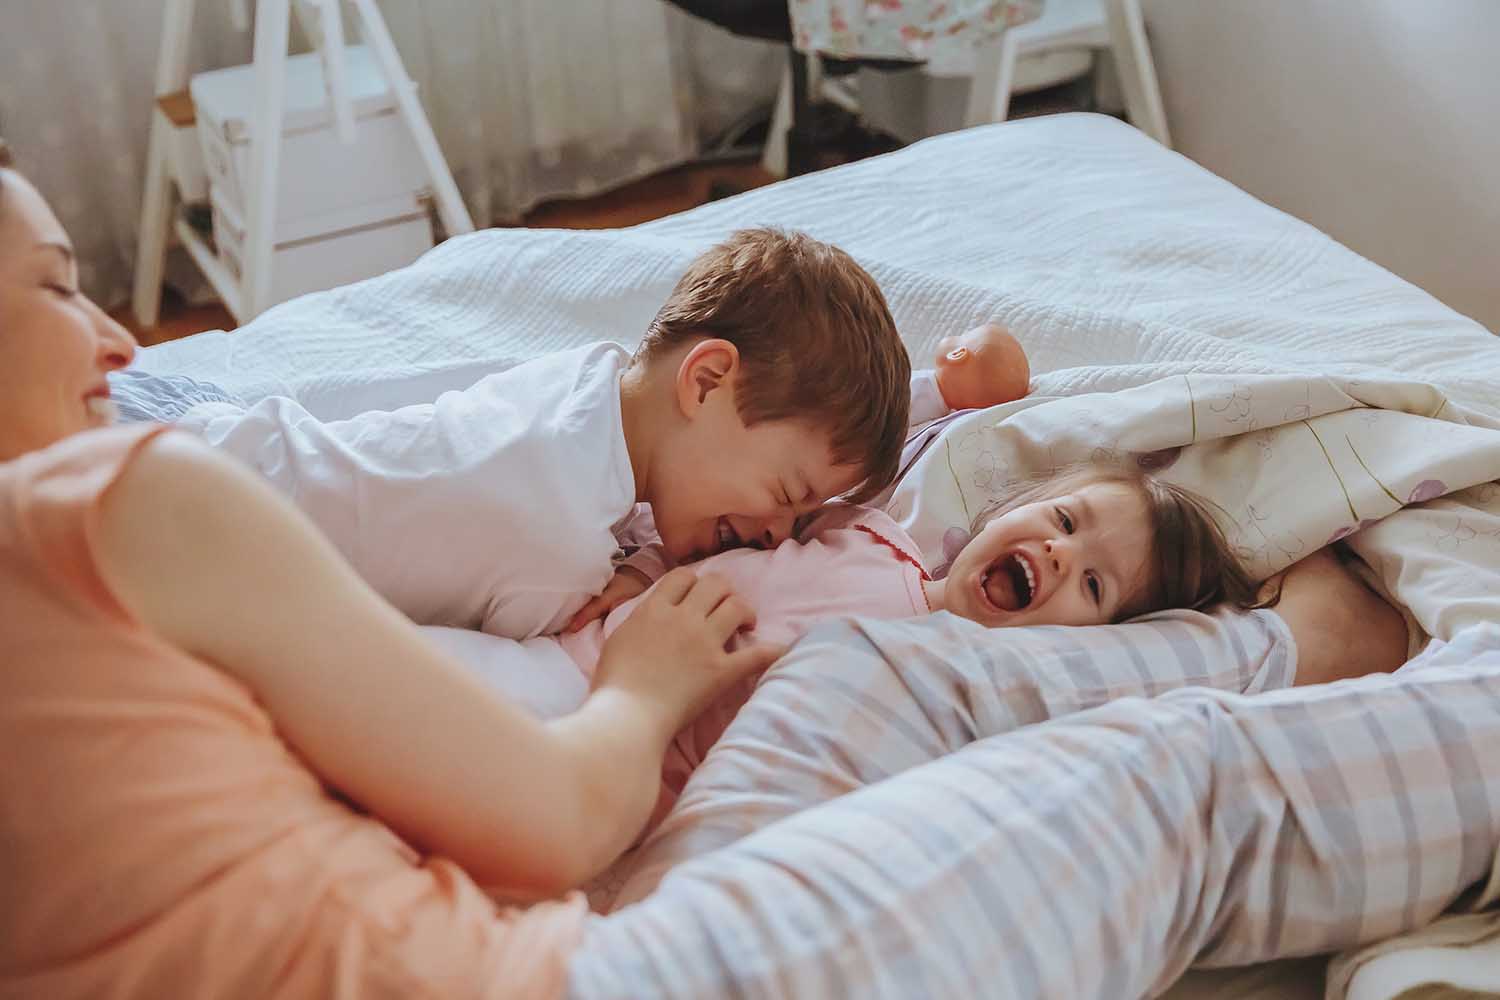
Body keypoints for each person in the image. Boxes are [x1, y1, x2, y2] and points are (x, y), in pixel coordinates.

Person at [6, 148, 1476, 1000]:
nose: (133, 349)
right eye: (61, 287)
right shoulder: (133, 506)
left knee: (1001, 708)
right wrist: (641, 688)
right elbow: (548, 805)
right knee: (1166, 781)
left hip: (621, 856)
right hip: (596, 928)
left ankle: (1261, 654)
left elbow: (908, 478)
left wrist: (979, 402)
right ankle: (1285, 659)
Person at [170, 226, 912, 641]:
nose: (776, 537)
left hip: (213, 443)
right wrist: (634, 581)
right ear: (707, 380)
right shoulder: (555, 546)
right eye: (787, 494)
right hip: (183, 541)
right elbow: (579, 646)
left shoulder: (585, 382)